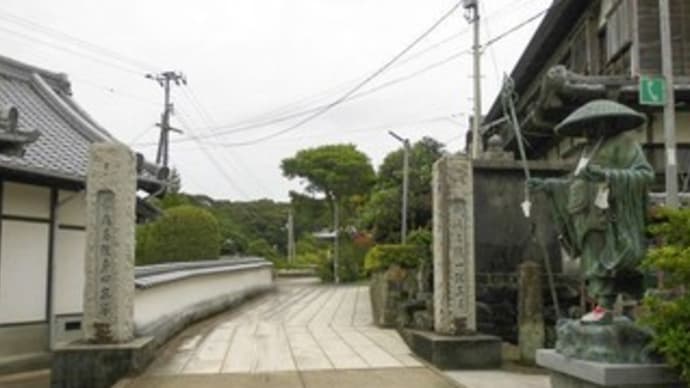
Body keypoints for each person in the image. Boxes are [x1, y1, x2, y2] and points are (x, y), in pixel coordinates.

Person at [527, 100, 654, 324]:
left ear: (606, 123)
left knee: (618, 260)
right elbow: (574, 183)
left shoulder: (624, 143)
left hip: (613, 214)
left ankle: (623, 304)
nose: (587, 131)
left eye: (592, 125)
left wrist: (607, 175)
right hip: (586, 214)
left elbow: (644, 175)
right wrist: (548, 185)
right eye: (584, 127)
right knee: (593, 260)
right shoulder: (588, 150)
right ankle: (602, 305)